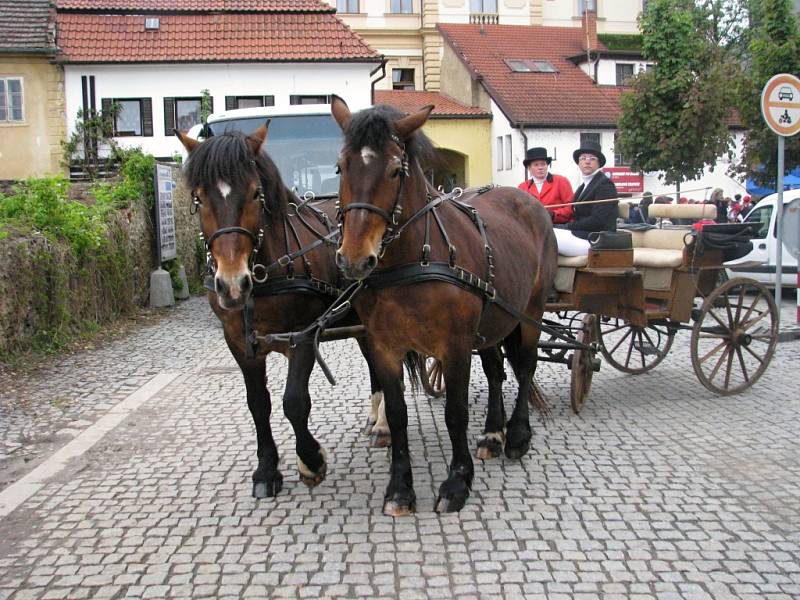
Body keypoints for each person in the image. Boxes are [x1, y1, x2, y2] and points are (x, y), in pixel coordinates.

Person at [553, 140, 619, 256]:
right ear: (578, 164)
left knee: (545, 235)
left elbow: (597, 220)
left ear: (599, 164)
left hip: (596, 240)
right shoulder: (582, 187)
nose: (587, 161)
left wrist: (567, 227)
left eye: (592, 158)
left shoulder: (605, 185)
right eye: (583, 158)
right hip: (581, 235)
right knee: (542, 232)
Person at [517, 147, 574, 224]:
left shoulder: (561, 181)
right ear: (529, 168)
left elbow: (570, 208)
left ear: (547, 165)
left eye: (543, 164)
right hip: (532, 229)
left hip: (557, 226)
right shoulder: (522, 187)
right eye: (536, 165)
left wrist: (553, 214)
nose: (540, 168)